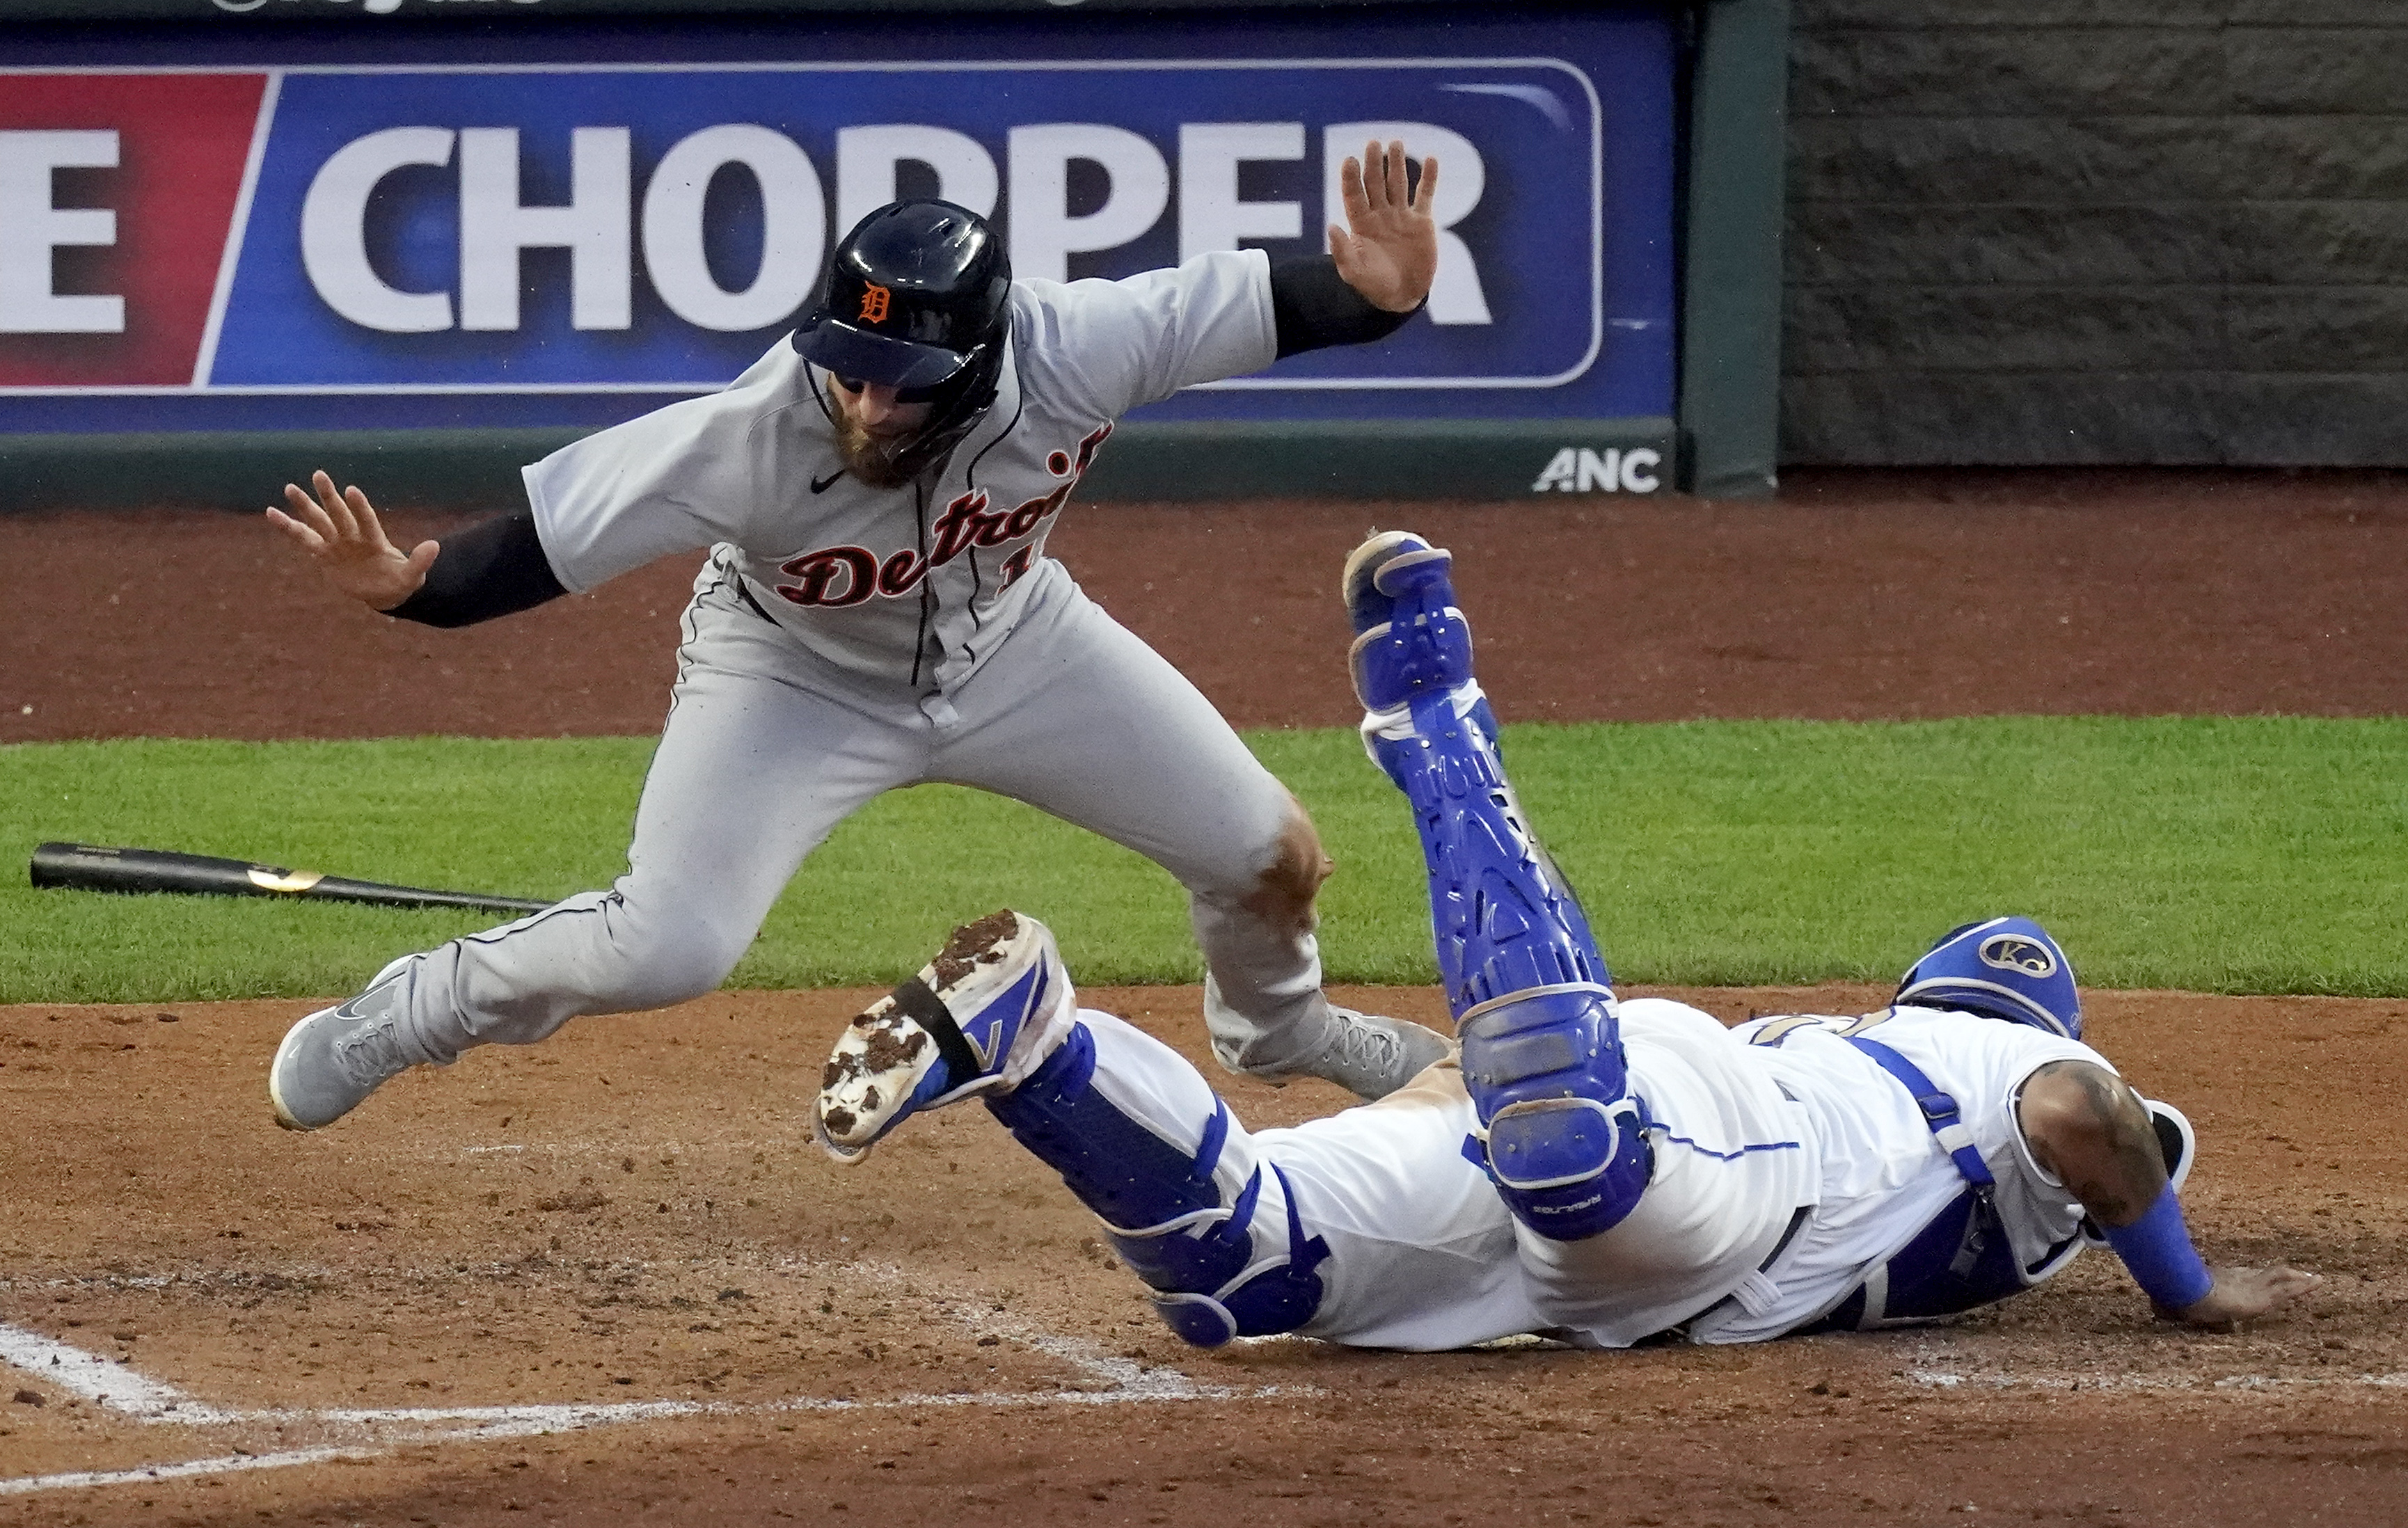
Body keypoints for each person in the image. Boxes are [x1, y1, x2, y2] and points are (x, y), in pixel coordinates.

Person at [811, 530, 2320, 1350]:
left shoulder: (1913, 1033)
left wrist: (1397, 1076)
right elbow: (2083, 1113)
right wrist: (2182, 1290)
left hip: (1617, 1223)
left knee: (1240, 1277)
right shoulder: (2014, 1058)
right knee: (1578, 1154)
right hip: (1748, 1166)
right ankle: (1438, 719)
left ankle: (1035, 1043)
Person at [264, 144, 1457, 1133]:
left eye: (905, 384)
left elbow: (1286, 306)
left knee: (1269, 852)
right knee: (666, 946)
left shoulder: (1080, 345)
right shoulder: (756, 431)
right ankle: (416, 1007)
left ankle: (1282, 1029)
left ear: (986, 357)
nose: (869, 405)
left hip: (1019, 644)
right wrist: (410, 588)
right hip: (788, 675)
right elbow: (539, 544)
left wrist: (1380, 297)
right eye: (853, 370)